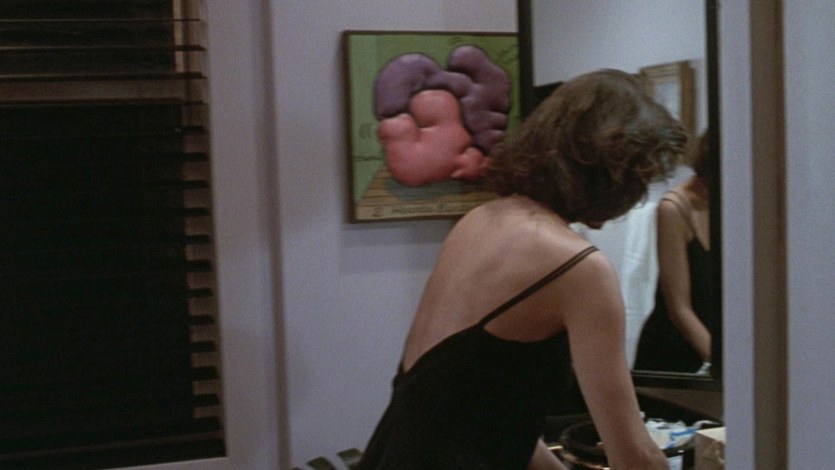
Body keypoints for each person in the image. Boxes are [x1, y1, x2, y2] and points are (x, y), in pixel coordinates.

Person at [357, 69, 687, 470]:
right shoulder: (578, 268)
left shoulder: (480, 220)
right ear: (613, 173)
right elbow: (634, 456)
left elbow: (481, 416)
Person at [634, 132, 716, 374]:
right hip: (674, 353)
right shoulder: (674, 208)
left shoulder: (735, 203)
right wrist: (725, 363)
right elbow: (679, 309)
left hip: (717, 345)